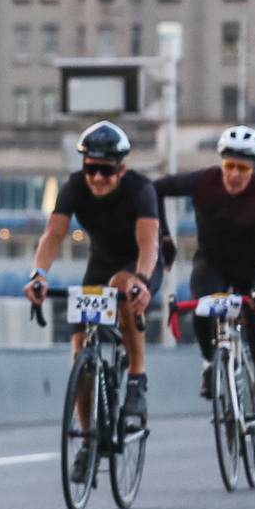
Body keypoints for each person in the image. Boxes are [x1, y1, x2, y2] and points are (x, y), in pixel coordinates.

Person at [24, 121, 169, 439]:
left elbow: (149, 244)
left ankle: (137, 377)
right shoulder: (74, 187)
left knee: (121, 284)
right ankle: (88, 436)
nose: (98, 178)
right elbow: (53, 235)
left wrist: (141, 280)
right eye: (91, 169)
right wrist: (39, 275)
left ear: (122, 169)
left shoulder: (141, 190)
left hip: (140, 265)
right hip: (100, 263)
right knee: (80, 349)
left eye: (106, 170)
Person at [158, 125, 255, 467]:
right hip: (212, 263)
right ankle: (209, 363)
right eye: (230, 166)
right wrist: (164, 238)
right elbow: (153, 190)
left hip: (253, 270)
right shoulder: (204, 182)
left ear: (254, 169)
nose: (235, 174)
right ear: (221, 164)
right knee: (203, 306)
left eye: (243, 168)